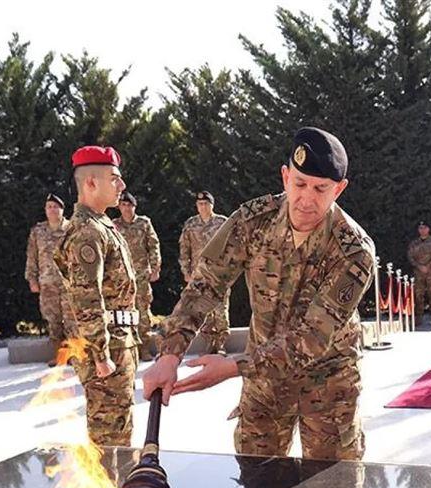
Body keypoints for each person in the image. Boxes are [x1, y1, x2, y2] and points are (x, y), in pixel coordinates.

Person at [142, 126, 375, 460]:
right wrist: (170, 354)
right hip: (264, 381)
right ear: (285, 177)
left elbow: (311, 339)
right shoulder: (253, 221)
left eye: (321, 188)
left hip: (329, 383)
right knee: (260, 480)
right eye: (300, 183)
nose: (307, 198)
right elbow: (206, 284)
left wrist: (234, 367)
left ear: (339, 189)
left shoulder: (353, 251)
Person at [54, 145, 139, 446]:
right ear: (91, 183)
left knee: (121, 430)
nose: (122, 185)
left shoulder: (103, 225)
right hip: (106, 349)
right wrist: (101, 355)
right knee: (109, 439)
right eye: (115, 178)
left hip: (119, 340)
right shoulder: (87, 232)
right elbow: (86, 299)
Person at [25, 193, 75, 366]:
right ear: (45, 210)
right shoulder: (38, 231)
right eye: (49, 207)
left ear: (62, 209)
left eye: (56, 207)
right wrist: (32, 279)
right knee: (53, 321)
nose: (52, 210)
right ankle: (59, 356)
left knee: (72, 320)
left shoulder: (72, 228)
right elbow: (32, 257)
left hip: (70, 283)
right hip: (47, 283)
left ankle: (74, 355)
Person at [179, 191, 230, 354]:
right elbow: (184, 249)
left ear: (212, 205)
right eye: (200, 204)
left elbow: (232, 247)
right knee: (203, 309)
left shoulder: (222, 222)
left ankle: (221, 344)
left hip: (219, 274)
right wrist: (186, 271)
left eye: (206, 204)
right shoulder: (191, 224)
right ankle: (209, 344)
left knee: (221, 309)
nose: (203, 207)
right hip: (198, 274)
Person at [114, 191, 161, 361]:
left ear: (135, 207)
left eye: (129, 205)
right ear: (119, 206)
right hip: (121, 278)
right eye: (123, 205)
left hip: (141, 276)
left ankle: (145, 349)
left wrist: (155, 269)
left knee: (143, 312)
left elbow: (154, 246)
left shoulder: (144, 223)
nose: (126, 208)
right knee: (123, 313)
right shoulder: (114, 225)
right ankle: (128, 349)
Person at [407, 221, 431, 326]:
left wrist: (428, 266)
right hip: (419, 273)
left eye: (424, 228)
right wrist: (419, 266)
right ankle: (418, 318)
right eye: (420, 228)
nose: (422, 230)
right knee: (418, 296)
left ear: (428, 229)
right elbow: (410, 257)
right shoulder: (414, 244)